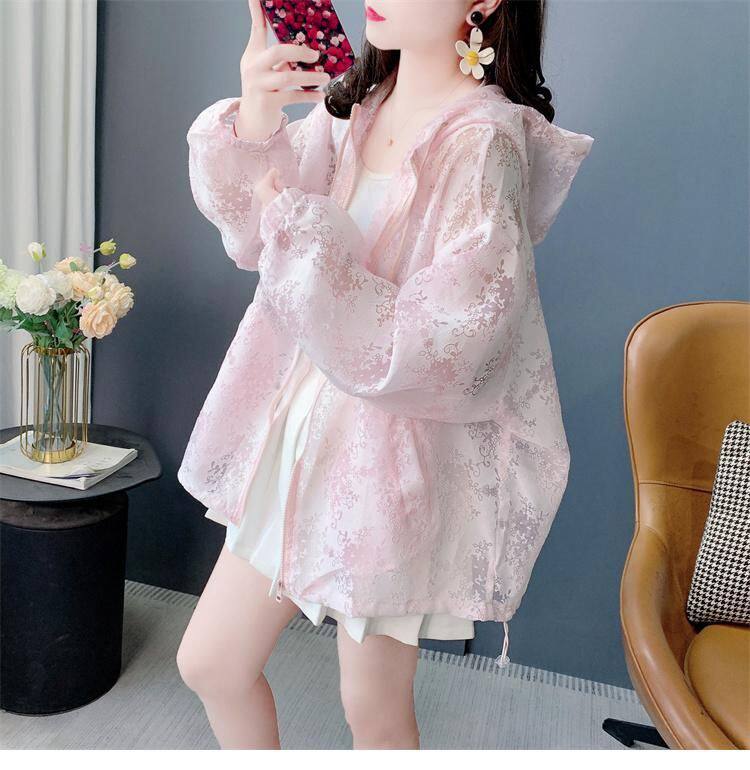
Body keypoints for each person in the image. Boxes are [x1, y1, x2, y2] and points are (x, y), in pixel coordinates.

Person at [175, 0, 595, 750]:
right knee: (211, 663)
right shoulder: (358, 107)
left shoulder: (484, 140)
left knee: (371, 709)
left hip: (390, 462)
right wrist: (260, 115)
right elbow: (254, 237)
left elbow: (452, 340)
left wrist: (303, 239)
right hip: (294, 435)